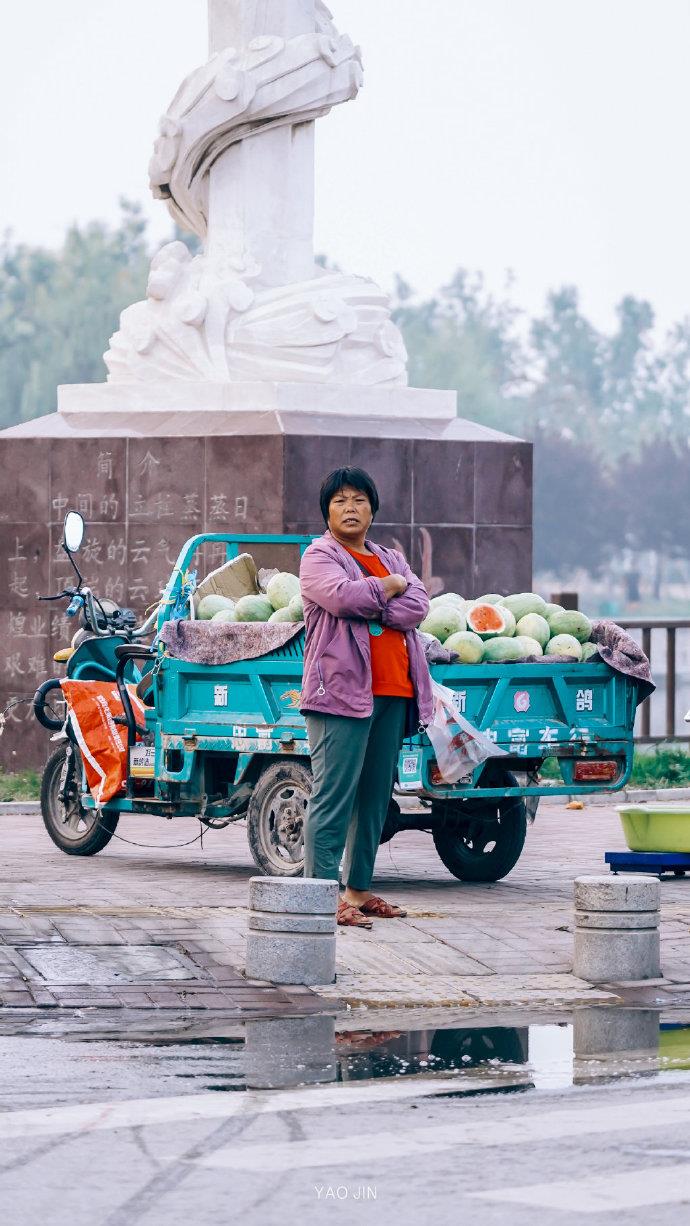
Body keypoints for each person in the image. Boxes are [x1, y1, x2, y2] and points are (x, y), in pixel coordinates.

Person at [299, 467, 433, 928]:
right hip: (339, 693)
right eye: (339, 501)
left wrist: (380, 592)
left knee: (375, 798)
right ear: (326, 512)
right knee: (333, 796)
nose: (350, 508)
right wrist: (388, 588)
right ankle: (319, 895)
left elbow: (418, 605)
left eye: (358, 500)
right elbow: (341, 599)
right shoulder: (319, 556)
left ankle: (356, 890)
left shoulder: (390, 556)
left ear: (373, 509)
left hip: (394, 691)